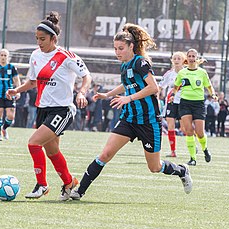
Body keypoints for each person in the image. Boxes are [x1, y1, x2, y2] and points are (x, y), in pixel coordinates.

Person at [69, 23, 192, 201]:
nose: (117, 52)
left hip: (149, 121)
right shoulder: (124, 65)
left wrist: (128, 98)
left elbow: (153, 88)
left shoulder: (141, 63)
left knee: (155, 167)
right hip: (129, 119)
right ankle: (79, 191)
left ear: (131, 46)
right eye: (115, 49)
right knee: (105, 154)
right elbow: (126, 84)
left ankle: (182, 170)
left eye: (121, 48)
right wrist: (108, 94)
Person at [6, 11, 92, 201]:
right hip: (42, 109)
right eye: (37, 38)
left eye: (43, 39)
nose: (39, 42)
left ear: (54, 38)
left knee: (33, 143)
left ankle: (41, 184)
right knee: (52, 152)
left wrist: (82, 92)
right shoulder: (35, 56)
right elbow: (32, 82)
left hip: (62, 110)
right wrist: (17, 90)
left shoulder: (66, 56)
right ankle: (70, 184)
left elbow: (87, 76)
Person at [170, 48, 217, 166]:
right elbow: (176, 87)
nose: (191, 58)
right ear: (187, 58)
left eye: (193, 56)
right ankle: (192, 158)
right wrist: (172, 96)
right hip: (185, 103)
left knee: (200, 132)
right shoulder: (182, 73)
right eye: (189, 56)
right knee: (189, 131)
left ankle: (205, 149)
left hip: (199, 104)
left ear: (196, 58)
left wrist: (214, 95)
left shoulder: (202, 72)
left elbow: (209, 86)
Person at [0, 49, 21, 140]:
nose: (3, 57)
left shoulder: (12, 68)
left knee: (11, 116)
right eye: (1, 55)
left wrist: (18, 91)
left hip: (10, 94)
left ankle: (4, 128)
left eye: (5, 55)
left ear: (7, 57)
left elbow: (16, 80)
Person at [159, 51, 186, 157]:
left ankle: (193, 146)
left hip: (183, 102)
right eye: (174, 58)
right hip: (171, 102)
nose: (176, 61)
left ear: (183, 60)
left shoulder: (187, 73)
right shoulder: (169, 74)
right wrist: (157, 97)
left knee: (184, 128)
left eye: (179, 58)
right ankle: (173, 151)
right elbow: (160, 87)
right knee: (170, 126)